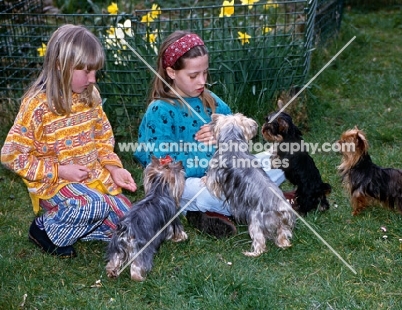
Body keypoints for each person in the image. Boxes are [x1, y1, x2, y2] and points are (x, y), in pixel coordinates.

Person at [1, 24, 137, 258]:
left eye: (95, 71)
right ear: (59, 66)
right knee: (95, 205)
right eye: (86, 71)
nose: (93, 79)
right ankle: (44, 230)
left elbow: (103, 137)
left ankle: (82, 226)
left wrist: (113, 168)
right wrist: (60, 171)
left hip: (93, 181)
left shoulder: (90, 96)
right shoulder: (37, 106)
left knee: (134, 220)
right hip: (56, 187)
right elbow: (11, 156)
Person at [134, 30, 285, 238]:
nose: (202, 81)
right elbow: (162, 161)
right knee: (206, 192)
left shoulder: (211, 100)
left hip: (225, 174)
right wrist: (209, 162)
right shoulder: (160, 110)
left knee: (283, 160)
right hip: (191, 180)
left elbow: (239, 137)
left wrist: (221, 140)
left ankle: (211, 209)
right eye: (194, 75)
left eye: (205, 73)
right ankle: (260, 200)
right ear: (171, 72)